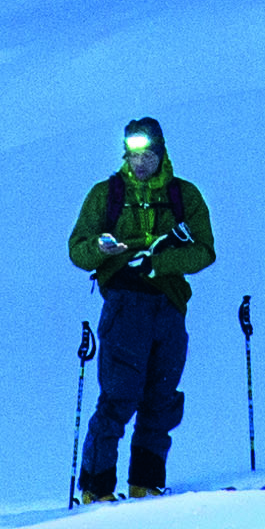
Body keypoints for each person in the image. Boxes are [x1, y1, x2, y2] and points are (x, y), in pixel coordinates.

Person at [66, 116, 216, 500]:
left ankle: (146, 484)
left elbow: (204, 251)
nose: (142, 162)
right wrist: (101, 249)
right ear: (126, 155)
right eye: (135, 154)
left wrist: (160, 264)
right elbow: (77, 251)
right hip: (124, 306)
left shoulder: (185, 195)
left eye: (149, 154)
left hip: (169, 306)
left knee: (161, 399)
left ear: (161, 152)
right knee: (118, 396)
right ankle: (97, 488)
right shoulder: (106, 194)